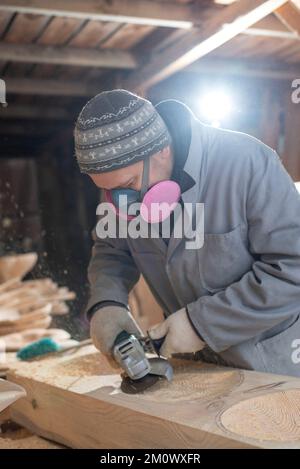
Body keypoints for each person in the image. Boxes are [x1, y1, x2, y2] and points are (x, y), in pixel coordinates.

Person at [74, 89, 300, 376]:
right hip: (197, 369)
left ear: (161, 149)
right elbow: (112, 250)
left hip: (272, 366)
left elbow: (292, 270)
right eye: (108, 189)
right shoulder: (121, 193)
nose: (121, 201)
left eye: (129, 183)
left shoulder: (248, 163)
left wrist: (201, 324)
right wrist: (107, 302)